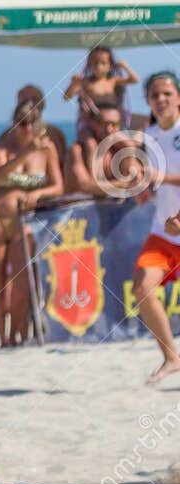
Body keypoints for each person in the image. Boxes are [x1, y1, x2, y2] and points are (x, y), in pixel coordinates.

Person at [0, 99, 62, 346]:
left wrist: (38, 194)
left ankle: (17, 333)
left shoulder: (47, 149)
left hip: (23, 221)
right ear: (14, 124)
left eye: (31, 123)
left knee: (21, 280)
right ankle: (3, 338)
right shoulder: (2, 148)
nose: (26, 128)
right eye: (21, 123)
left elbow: (58, 186)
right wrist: (25, 152)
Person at [131, 71, 180, 384]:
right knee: (142, 288)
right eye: (154, 95)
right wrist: (145, 190)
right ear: (147, 101)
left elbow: (163, 175)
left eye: (167, 93)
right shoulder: (148, 136)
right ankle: (172, 358)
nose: (161, 99)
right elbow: (153, 182)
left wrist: (159, 176)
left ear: (178, 97)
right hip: (164, 231)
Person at [65, 46, 138, 141]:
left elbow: (134, 80)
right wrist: (73, 84)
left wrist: (125, 67)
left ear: (110, 65)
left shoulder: (113, 80)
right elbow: (67, 97)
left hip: (111, 124)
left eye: (103, 63)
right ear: (89, 64)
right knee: (90, 145)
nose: (99, 67)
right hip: (92, 123)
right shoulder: (86, 82)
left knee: (127, 144)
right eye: (95, 63)